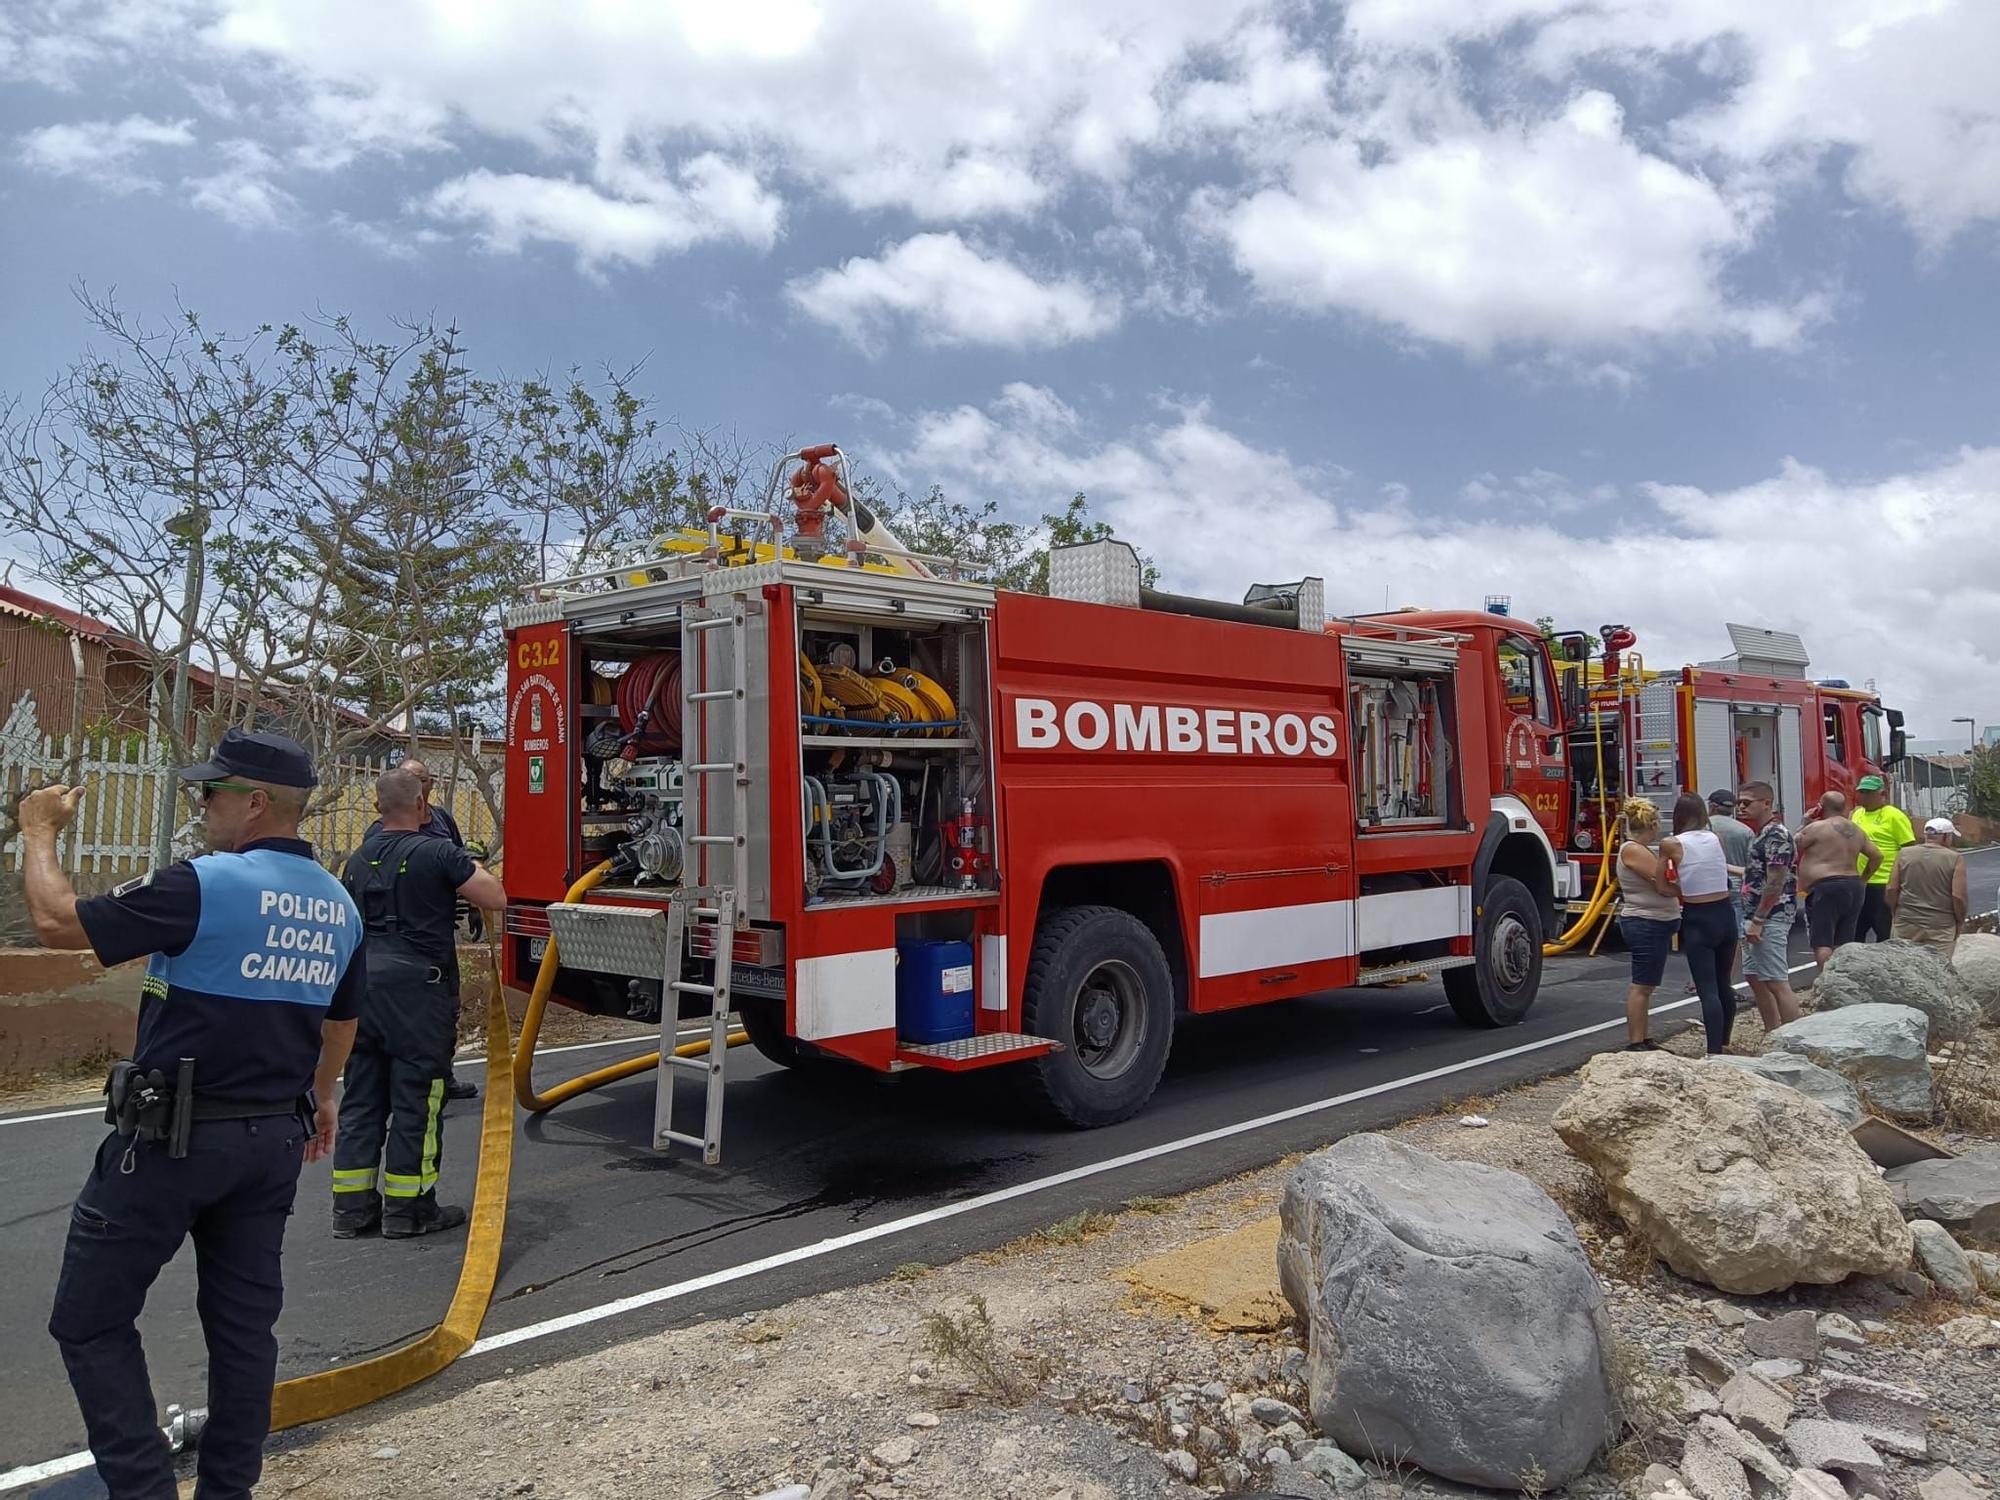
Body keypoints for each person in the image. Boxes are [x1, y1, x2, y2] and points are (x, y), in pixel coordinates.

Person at [20, 728, 364, 1500]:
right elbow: (342, 1019)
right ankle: (227, 1491)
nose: (201, 804)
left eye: (211, 792)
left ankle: (143, 1490)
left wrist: (37, 832)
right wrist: (326, 1094)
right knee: (244, 1333)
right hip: (273, 1137)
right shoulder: (338, 903)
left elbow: (55, 924)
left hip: (170, 1140)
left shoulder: (208, 883)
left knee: (89, 1320)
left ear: (254, 803)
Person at [333, 768, 504, 1239]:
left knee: (361, 1100)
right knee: (418, 1104)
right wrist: (467, 866)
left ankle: (351, 1209)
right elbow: (495, 897)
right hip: (418, 997)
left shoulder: (358, 858)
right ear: (424, 808)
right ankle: (409, 1211)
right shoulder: (438, 852)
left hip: (362, 992)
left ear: (376, 808)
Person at [366, 757, 478, 1101]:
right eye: (416, 780)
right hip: (398, 938)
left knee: (448, 1007)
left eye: (427, 779)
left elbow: (463, 862)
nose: (424, 786)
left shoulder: (442, 820)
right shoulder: (379, 835)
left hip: (439, 933)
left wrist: (472, 902)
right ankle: (399, 1081)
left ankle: (443, 1075)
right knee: (404, 1012)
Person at [1661, 793, 1738, 1054]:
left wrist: (1677, 888)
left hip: (1698, 914)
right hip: (1725, 912)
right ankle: (1724, 1042)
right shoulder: (1715, 838)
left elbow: (1662, 883)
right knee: (1724, 982)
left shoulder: (1671, 843)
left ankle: (1713, 1050)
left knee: (1707, 989)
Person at [1613, 798, 1680, 1051]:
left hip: (1654, 921)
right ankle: (1636, 1041)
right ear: (1652, 824)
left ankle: (1642, 1036)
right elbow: (1662, 883)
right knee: (1642, 984)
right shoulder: (1634, 850)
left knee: (1647, 984)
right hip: (1645, 921)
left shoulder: (1641, 849)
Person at [1737, 780, 1805, 1030]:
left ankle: (1796, 1041)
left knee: (1776, 980)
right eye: (1739, 803)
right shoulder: (1763, 834)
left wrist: (1758, 920)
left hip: (1770, 917)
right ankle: (1773, 1031)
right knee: (1755, 976)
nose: (1741, 808)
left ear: (1766, 803)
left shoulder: (1776, 834)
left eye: (1747, 803)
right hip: (1756, 914)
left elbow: (1776, 880)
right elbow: (1759, 873)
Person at [1796, 791, 1880, 967]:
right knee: (1843, 942)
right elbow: (1877, 856)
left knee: (1822, 941)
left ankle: (1825, 982)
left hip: (1826, 886)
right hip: (1853, 885)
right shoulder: (1857, 830)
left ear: (1820, 807)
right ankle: (1841, 982)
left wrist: (1804, 822)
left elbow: (1791, 845)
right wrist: (1864, 879)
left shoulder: (1816, 828)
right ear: (1845, 807)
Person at [1889, 816, 1968, 965]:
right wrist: (1959, 921)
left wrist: (1896, 912)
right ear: (1945, 837)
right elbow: (1958, 897)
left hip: (1906, 921)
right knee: (1938, 970)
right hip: (1940, 926)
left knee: (1903, 966)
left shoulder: (1904, 853)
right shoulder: (1955, 858)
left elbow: (1892, 888)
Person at [1851, 775, 1916, 943]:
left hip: (1883, 883)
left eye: (1869, 792)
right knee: (1855, 932)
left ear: (1882, 794)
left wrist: (1902, 880)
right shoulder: (1857, 814)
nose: (1863, 796)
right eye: (1861, 792)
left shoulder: (1894, 816)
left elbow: (1908, 849)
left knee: (1884, 932)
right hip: (1859, 882)